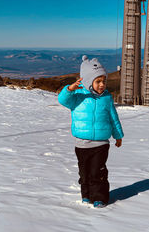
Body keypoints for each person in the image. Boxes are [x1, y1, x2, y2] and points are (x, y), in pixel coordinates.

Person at [58, 55, 124, 208]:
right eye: (98, 81)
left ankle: (100, 197)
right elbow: (62, 100)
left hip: (101, 143)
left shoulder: (106, 98)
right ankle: (86, 194)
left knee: (98, 172)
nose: (102, 85)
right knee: (84, 173)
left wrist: (118, 135)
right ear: (88, 81)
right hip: (81, 144)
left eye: (104, 81)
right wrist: (69, 89)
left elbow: (113, 118)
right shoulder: (78, 96)